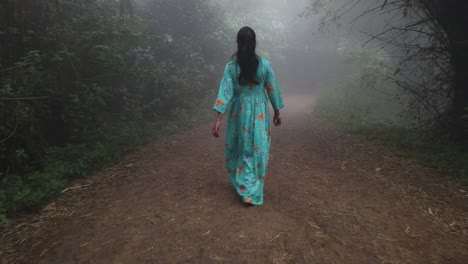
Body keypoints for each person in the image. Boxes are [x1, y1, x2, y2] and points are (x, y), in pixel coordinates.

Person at [212, 26, 284, 205]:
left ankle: (245, 186)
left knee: (241, 147)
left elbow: (225, 92)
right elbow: (272, 89)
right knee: (257, 148)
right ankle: (250, 190)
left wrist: (219, 118)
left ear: (238, 43)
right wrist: (277, 112)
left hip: (239, 113)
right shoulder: (264, 65)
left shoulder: (231, 67)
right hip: (259, 111)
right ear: (254, 44)